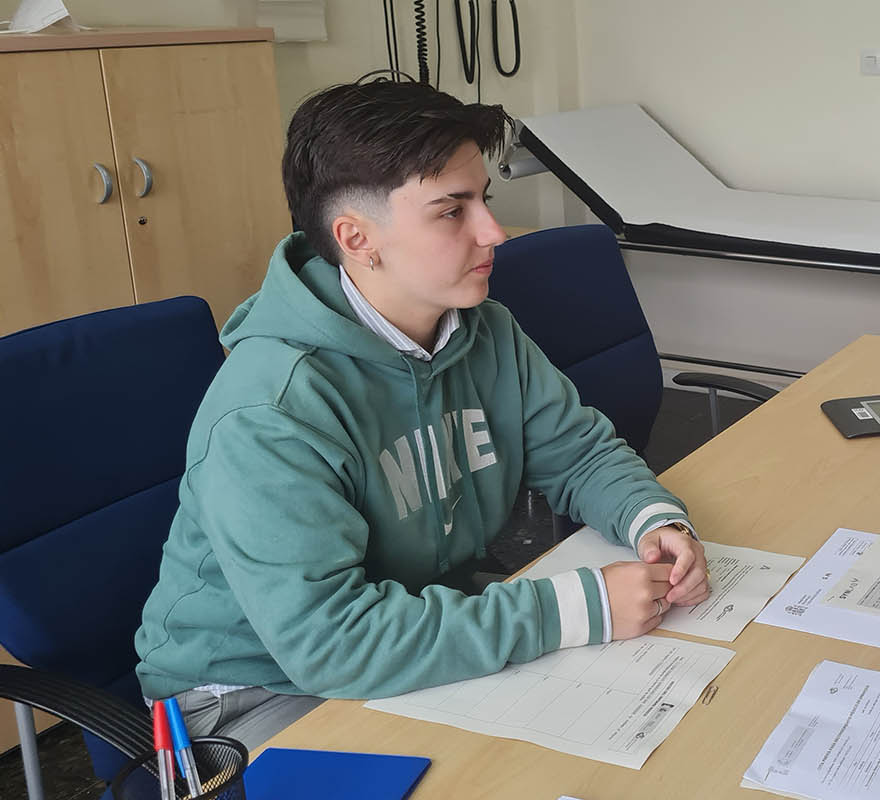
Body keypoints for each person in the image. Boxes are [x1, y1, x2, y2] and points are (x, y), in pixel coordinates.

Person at [132, 77, 710, 747]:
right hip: (251, 694)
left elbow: (578, 454)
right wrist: (576, 608)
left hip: (411, 624)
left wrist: (652, 519)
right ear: (357, 238)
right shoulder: (273, 408)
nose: (493, 232)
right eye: (451, 211)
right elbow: (332, 644)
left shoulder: (484, 330)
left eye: (484, 200)